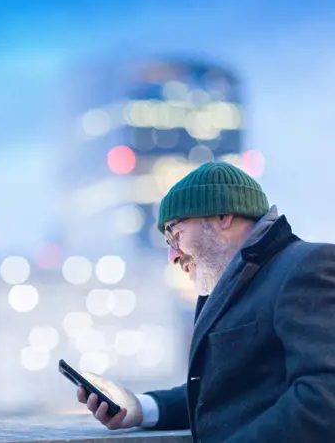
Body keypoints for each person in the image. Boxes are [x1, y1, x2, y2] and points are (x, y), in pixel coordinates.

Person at [76, 161, 335, 442]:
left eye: (176, 235)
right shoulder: (236, 286)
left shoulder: (306, 266)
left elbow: (323, 395)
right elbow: (227, 394)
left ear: (223, 216)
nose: (173, 256)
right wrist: (139, 408)